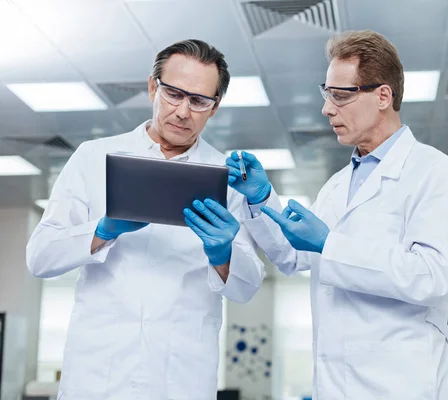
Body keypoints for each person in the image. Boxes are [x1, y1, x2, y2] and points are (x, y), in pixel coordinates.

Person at [227, 30, 448, 399]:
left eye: (340, 96)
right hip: (333, 386)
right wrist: (263, 201)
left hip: (399, 387)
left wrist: (331, 244)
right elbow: (295, 257)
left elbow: (433, 277)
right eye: (326, 95)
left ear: (383, 96)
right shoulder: (338, 185)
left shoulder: (435, 173)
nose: (327, 109)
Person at [26, 39, 267, 400]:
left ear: (215, 107)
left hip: (181, 381)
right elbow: (40, 257)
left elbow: (247, 288)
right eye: (173, 94)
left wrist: (224, 255)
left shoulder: (226, 177)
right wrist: (102, 230)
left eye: (199, 101)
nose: (183, 111)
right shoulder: (94, 157)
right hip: (97, 379)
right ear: (152, 86)